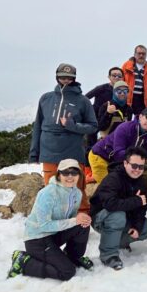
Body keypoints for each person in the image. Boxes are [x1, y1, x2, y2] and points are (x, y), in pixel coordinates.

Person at [7, 159, 93, 280]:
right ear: (59, 174)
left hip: (54, 235)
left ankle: (73, 257)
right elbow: (44, 225)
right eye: (65, 173)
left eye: (74, 172)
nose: (70, 176)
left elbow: (72, 219)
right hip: (37, 239)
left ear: (79, 175)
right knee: (67, 272)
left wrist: (81, 219)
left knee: (83, 225)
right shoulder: (48, 193)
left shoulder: (77, 194)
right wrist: (74, 221)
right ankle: (24, 262)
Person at [29, 63, 98, 213]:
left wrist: (72, 125)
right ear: (56, 77)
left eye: (69, 78)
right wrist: (34, 153)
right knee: (50, 190)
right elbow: (38, 126)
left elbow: (93, 126)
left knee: (77, 189)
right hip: (49, 152)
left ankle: (82, 218)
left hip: (73, 152)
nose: (65, 80)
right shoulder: (45, 98)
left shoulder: (83, 101)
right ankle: (50, 219)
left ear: (74, 79)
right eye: (62, 77)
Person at [89, 147, 147, 270]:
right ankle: (109, 255)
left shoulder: (142, 182)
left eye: (141, 167)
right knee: (117, 215)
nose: (137, 170)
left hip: (124, 216)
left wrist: (136, 226)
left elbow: (142, 208)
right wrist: (136, 201)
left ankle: (119, 242)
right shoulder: (113, 179)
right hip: (100, 217)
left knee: (146, 227)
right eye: (134, 165)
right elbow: (110, 204)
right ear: (125, 163)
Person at [89, 108, 147, 184]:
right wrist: (134, 159)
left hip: (120, 162)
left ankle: (92, 178)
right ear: (140, 117)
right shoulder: (125, 128)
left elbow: (146, 155)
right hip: (101, 155)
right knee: (107, 185)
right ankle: (89, 182)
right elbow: (118, 153)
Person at [85, 66, 125, 146]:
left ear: (123, 78)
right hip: (96, 119)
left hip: (112, 120)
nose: (117, 77)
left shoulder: (123, 91)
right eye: (114, 75)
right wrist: (89, 112)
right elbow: (85, 98)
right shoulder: (101, 88)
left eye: (119, 76)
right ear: (109, 77)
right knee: (92, 143)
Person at [122, 45, 147, 115]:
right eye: (139, 53)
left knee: (141, 118)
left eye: (143, 54)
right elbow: (121, 82)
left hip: (141, 99)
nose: (141, 55)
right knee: (127, 118)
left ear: (146, 55)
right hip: (128, 98)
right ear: (134, 54)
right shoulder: (126, 66)